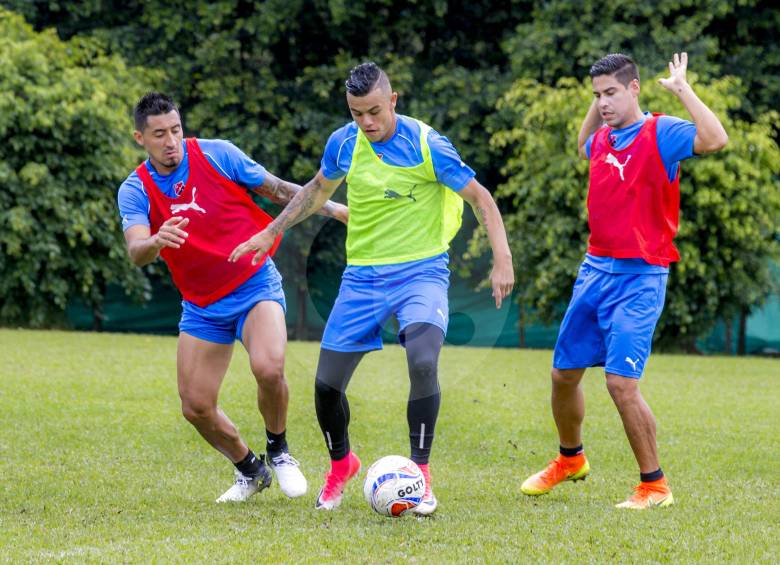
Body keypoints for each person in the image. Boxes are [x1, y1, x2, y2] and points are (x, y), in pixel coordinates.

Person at [229, 62, 515, 514]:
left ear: (393, 100)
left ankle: (420, 473)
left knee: (423, 360)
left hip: (422, 272)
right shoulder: (345, 143)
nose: (366, 122)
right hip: (362, 278)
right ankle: (341, 464)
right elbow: (315, 192)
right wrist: (270, 233)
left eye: (374, 112)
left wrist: (502, 257)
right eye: (357, 113)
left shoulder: (427, 144)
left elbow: (481, 198)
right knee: (326, 386)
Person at [520, 53, 728, 508]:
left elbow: (715, 138)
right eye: (597, 96)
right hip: (594, 270)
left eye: (611, 93)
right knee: (563, 375)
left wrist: (682, 89)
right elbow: (582, 142)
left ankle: (654, 486)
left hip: (641, 275)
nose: (603, 103)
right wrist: (598, 104)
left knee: (620, 384)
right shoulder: (602, 141)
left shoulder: (661, 132)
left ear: (635, 89)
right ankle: (571, 459)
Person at [118, 92, 348, 503]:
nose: (171, 141)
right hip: (203, 307)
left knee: (269, 366)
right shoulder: (136, 189)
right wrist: (156, 240)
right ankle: (250, 469)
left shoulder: (218, 155)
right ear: (140, 137)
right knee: (195, 406)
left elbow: (278, 190)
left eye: (175, 130)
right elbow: (136, 251)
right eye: (159, 134)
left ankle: (279, 451)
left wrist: (333, 208)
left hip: (254, 283)